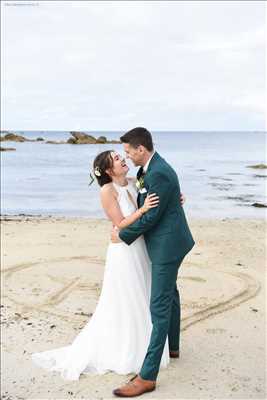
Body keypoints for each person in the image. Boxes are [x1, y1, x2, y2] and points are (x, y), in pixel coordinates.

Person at [31, 148, 185, 381]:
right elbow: (121, 223)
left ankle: (147, 343)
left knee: (144, 294)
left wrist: (176, 197)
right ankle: (127, 347)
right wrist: (143, 210)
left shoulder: (135, 181)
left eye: (122, 156)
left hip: (141, 247)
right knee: (126, 297)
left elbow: (160, 191)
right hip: (124, 251)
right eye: (116, 159)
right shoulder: (107, 190)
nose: (123, 159)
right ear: (107, 170)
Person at [111, 127, 195, 397]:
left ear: (141, 149)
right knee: (171, 294)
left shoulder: (157, 170)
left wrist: (122, 235)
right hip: (173, 239)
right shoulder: (149, 169)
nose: (127, 156)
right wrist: (174, 200)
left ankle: (147, 376)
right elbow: (153, 202)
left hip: (167, 246)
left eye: (128, 152)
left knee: (158, 306)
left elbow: (151, 217)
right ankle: (174, 347)